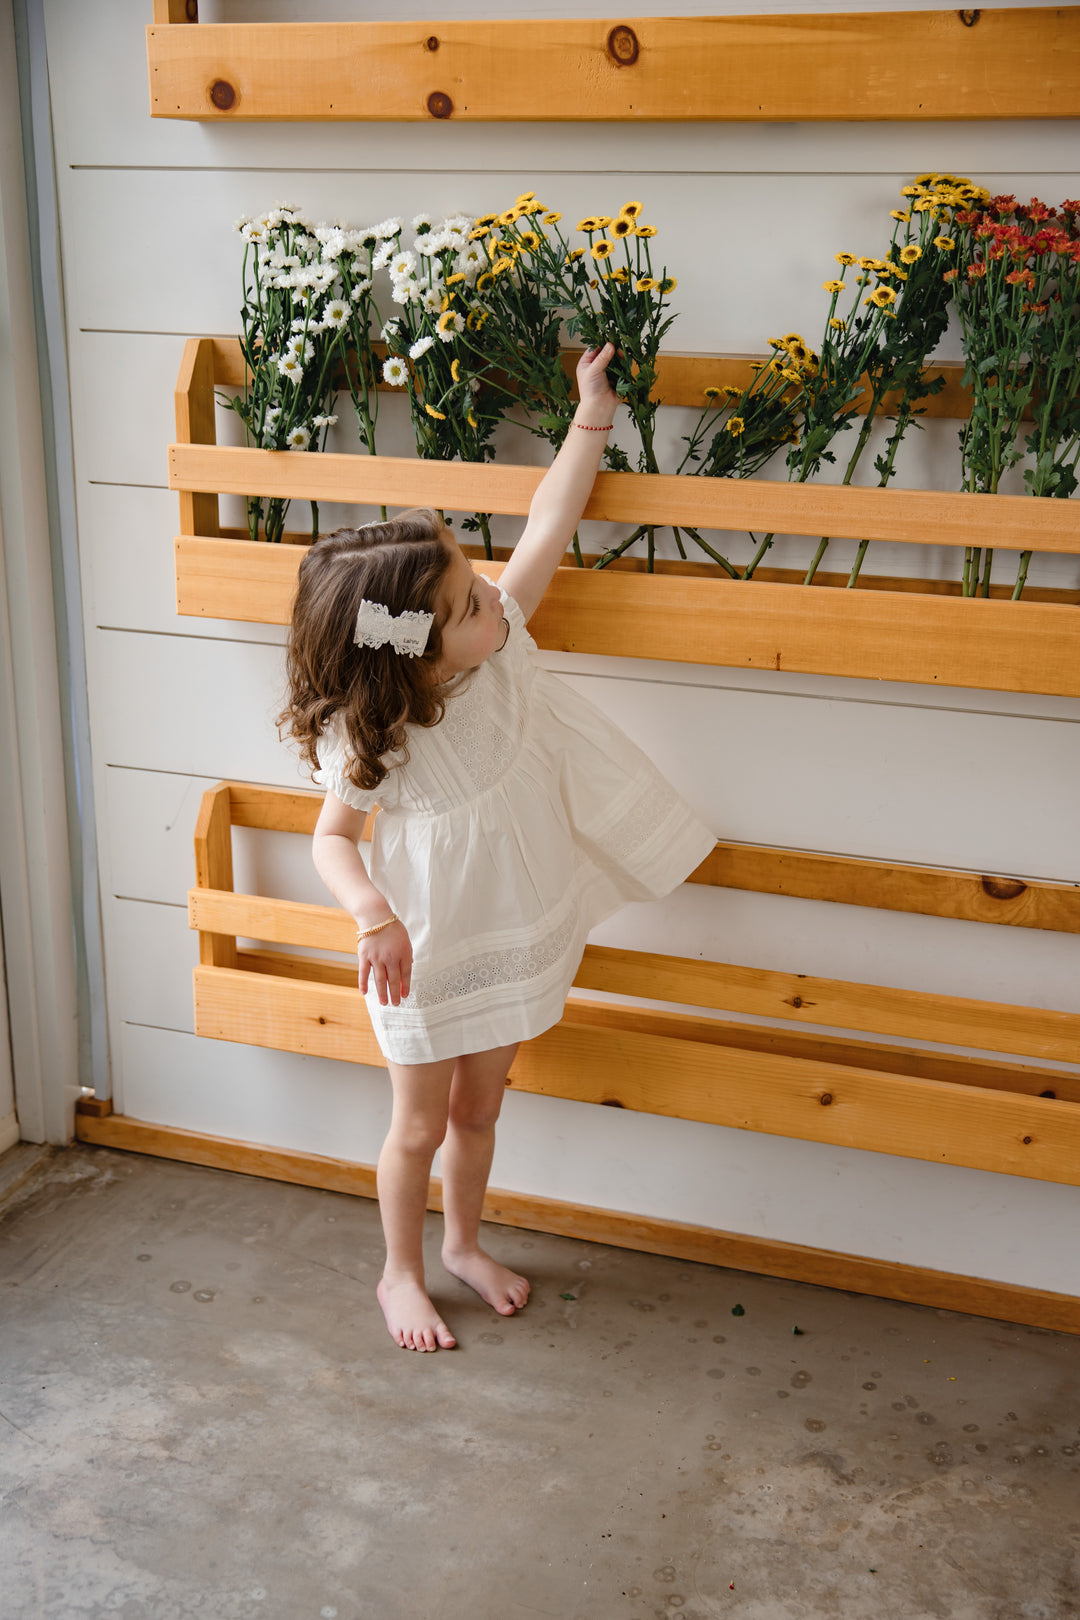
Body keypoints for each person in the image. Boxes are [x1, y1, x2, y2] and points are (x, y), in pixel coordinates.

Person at [280, 344, 715, 1352]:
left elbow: (550, 523)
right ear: (416, 652)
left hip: (510, 921)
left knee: (482, 1109)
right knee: (419, 1127)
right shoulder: (378, 734)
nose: (493, 600)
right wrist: (373, 919)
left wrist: (590, 416)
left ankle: (466, 1244)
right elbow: (333, 840)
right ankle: (400, 1271)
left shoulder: (501, 643)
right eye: (468, 604)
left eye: (478, 586)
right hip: (423, 952)